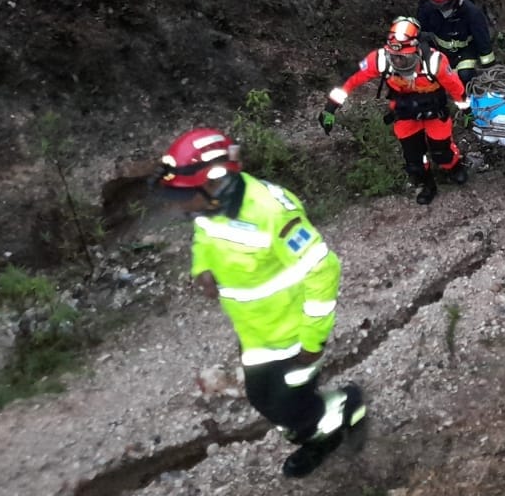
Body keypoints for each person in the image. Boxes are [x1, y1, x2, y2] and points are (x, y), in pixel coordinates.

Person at [156, 129, 365, 477]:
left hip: (294, 333)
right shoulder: (210, 208)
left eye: (182, 195)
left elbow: (324, 270)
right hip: (254, 332)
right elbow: (204, 237)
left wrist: (313, 340)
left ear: (214, 180)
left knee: (289, 403)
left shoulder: (272, 212)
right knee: (263, 398)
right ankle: (315, 433)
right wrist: (202, 267)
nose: (177, 203)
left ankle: (346, 407)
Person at [320, 16, 470, 204]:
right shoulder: (381, 59)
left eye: (403, 58)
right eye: (394, 57)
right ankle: (427, 183)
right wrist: (330, 107)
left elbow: (456, 88)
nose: (398, 62)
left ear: (415, 50)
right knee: (414, 159)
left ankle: (454, 167)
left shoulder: (435, 62)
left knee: (443, 153)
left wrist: (466, 110)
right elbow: (351, 80)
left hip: (435, 113)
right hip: (405, 115)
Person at [417, 0, 495, 84]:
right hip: (439, 50)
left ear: (454, 1)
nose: (441, 10)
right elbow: (420, 31)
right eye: (438, 6)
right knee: (432, 74)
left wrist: (489, 69)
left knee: (464, 74)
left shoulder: (472, 13)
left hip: (466, 51)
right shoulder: (429, 9)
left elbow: (483, 41)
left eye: (444, 6)